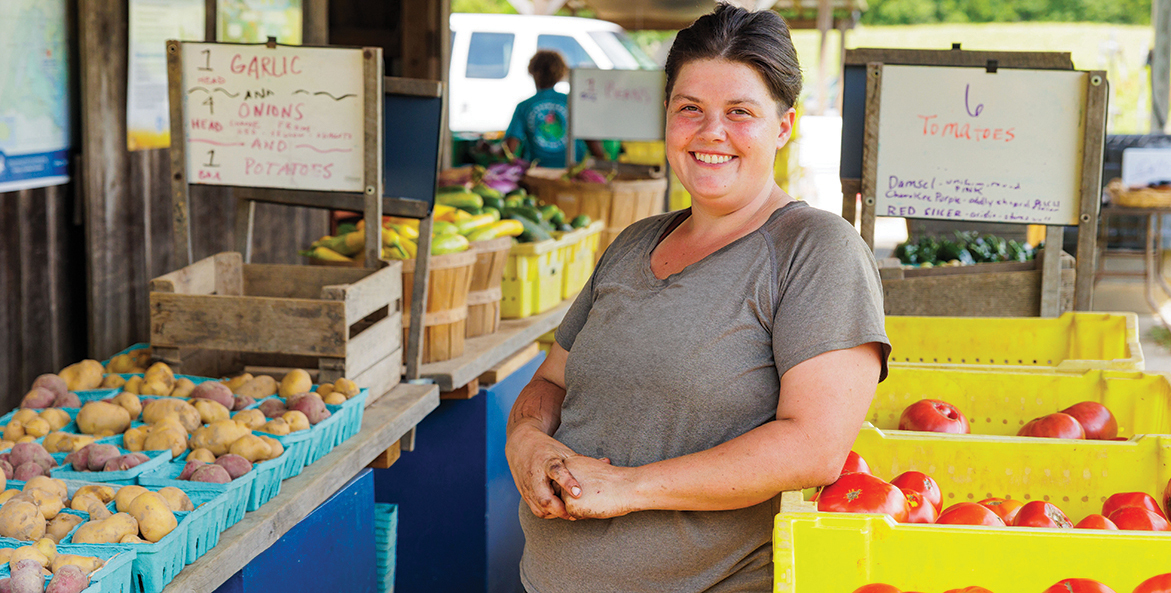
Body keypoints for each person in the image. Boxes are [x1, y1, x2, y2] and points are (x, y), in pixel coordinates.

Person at [505, 4, 891, 593]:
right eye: (692, 110)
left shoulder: (815, 251)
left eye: (741, 113)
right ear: (668, 118)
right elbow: (551, 382)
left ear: (783, 127)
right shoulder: (634, 243)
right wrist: (526, 441)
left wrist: (628, 488)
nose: (712, 133)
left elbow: (814, 447)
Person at [504, 50, 606, 167]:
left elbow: (509, 149)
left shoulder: (525, 106)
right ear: (560, 74)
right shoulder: (573, 103)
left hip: (537, 173)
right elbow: (596, 149)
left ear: (532, 72)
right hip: (572, 172)